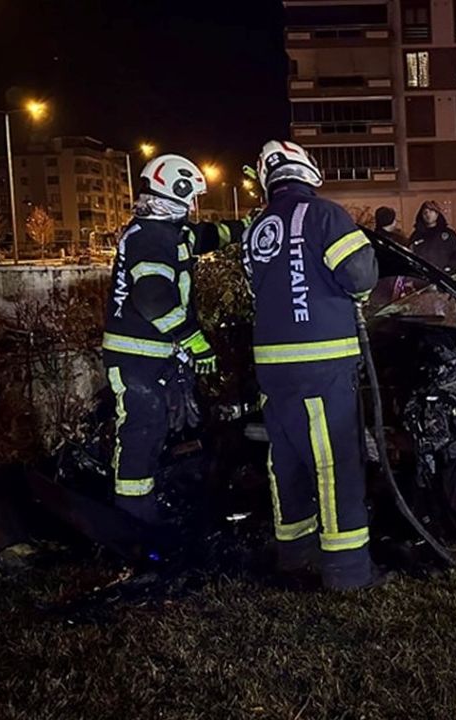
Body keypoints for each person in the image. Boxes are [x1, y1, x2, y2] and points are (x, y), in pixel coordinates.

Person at [246, 140, 388, 591]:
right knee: (335, 464)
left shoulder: (258, 226)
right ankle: (348, 572)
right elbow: (361, 274)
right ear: (307, 170)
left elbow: (261, 290)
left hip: (272, 366)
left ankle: (294, 553)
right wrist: (359, 297)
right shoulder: (323, 215)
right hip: (322, 362)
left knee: (286, 459)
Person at [103, 154, 250, 524]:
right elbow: (152, 298)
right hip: (136, 356)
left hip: (157, 355)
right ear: (175, 193)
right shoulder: (149, 237)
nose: (193, 207)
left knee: (167, 428)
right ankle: (132, 521)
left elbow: (208, 235)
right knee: (143, 428)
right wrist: (194, 340)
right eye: (190, 199)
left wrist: (249, 225)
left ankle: (162, 504)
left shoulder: (170, 232)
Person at [408, 200, 456, 273]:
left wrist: (450, 268)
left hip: (445, 276)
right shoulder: (416, 236)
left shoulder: (448, 234)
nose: (428, 215)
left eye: (431, 211)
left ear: (437, 214)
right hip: (423, 278)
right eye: (425, 212)